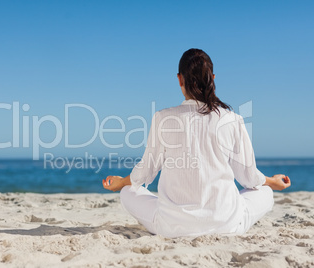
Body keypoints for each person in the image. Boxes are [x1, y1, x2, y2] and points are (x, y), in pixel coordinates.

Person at [102, 48, 291, 238]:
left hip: (172, 226)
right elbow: (249, 178)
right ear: (213, 78)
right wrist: (272, 181)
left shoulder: (163, 118)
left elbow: (145, 171)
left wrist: (121, 183)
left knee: (127, 192)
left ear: (179, 79)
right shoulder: (232, 119)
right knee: (265, 192)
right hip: (227, 224)